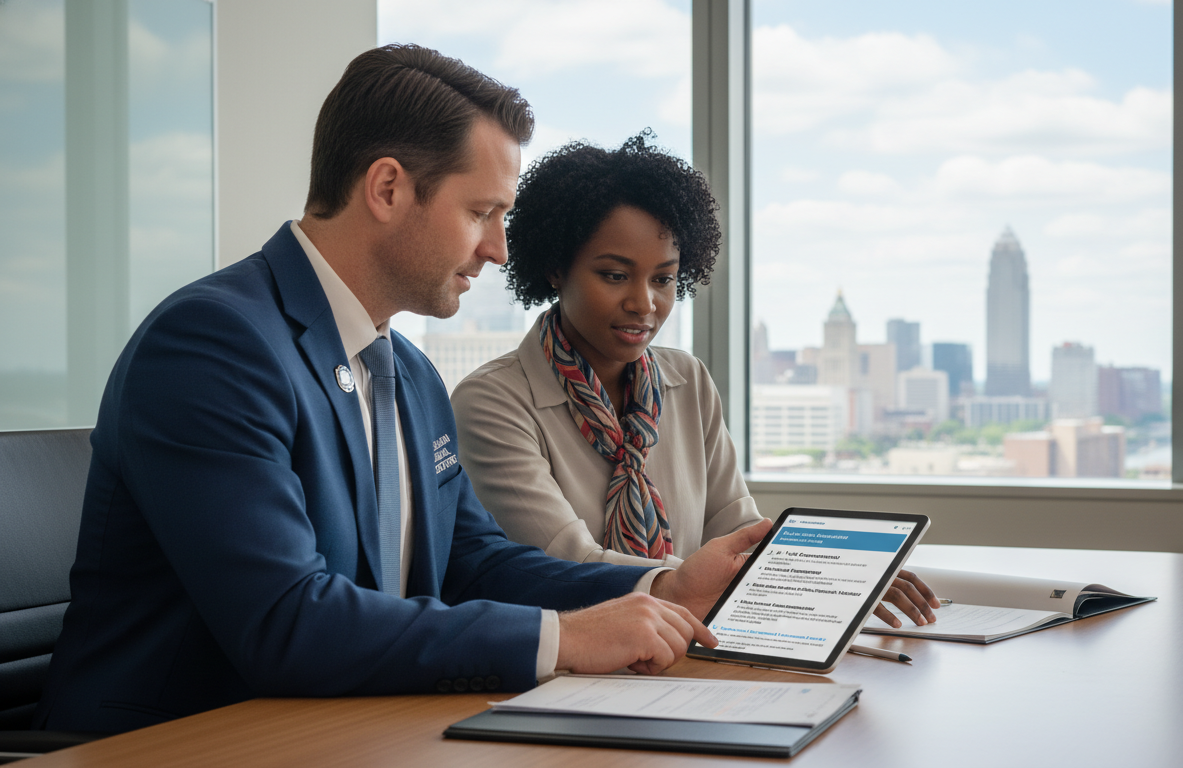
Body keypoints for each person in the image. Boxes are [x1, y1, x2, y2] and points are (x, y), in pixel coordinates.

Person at [35, 45, 771, 735]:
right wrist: (564, 638)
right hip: (178, 742)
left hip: (351, 729)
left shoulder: (408, 372)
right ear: (387, 188)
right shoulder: (213, 344)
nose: (499, 249)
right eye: (481, 212)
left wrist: (660, 590)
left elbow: (472, 562)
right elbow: (286, 621)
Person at [452, 134, 939, 630]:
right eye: (615, 275)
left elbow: (737, 529)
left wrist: (836, 576)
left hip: (688, 648)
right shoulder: (492, 403)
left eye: (663, 279)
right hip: (566, 661)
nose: (644, 304)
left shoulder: (687, 381)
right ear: (557, 269)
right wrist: (690, 585)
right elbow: (568, 563)